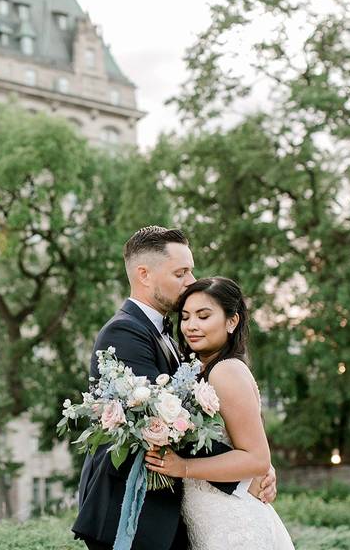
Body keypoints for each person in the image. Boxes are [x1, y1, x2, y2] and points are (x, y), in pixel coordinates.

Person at [72, 227, 276, 550]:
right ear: (144, 275)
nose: (191, 280)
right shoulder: (124, 332)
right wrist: (248, 471)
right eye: (181, 272)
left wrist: (254, 463)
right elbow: (167, 428)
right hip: (130, 515)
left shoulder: (173, 337)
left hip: (167, 515)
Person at [145, 277, 294, 550]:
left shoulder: (226, 371)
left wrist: (185, 467)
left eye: (204, 316)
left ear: (231, 321)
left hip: (234, 526)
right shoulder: (201, 371)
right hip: (210, 522)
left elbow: (257, 458)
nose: (191, 326)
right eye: (186, 317)